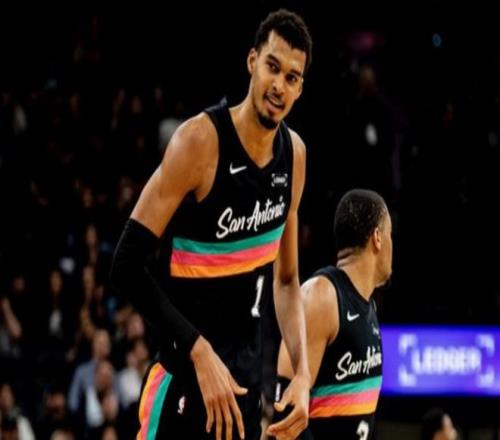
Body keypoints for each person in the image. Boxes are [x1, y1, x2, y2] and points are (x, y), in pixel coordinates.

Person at [110, 8, 313, 440]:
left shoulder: (294, 157)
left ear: (300, 88)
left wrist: (302, 372)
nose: (279, 85)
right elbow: (125, 265)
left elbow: (287, 279)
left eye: (292, 77)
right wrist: (197, 348)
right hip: (182, 381)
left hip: (242, 397)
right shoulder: (199, 141)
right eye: (273, 67)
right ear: (252, 61)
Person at [276, 189, 392, 439]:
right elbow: (283, 413)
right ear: (378, 238)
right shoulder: (321, 296)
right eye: (390, 235)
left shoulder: (368, 307)